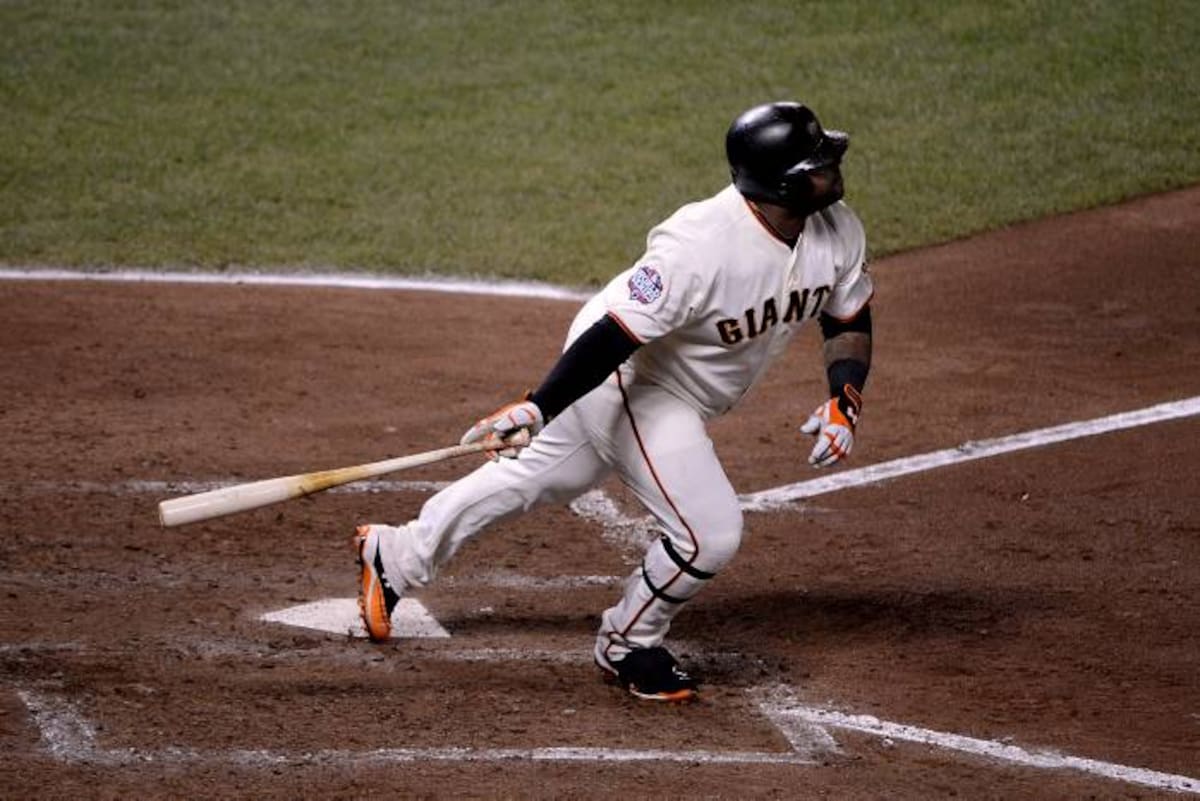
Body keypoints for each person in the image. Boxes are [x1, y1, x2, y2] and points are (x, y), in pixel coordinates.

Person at [355, 101, 874, 702]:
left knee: (536, 477)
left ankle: (395, 555)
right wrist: (539, 405)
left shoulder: (837, 230)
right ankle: (628, 642)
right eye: (817, 165)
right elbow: (616, 334)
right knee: (710, 534)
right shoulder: (699, 247)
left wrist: (845, 398)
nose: (831, 171)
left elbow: (850, 316)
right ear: (781, 183)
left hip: (661, 382)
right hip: (633, 377)